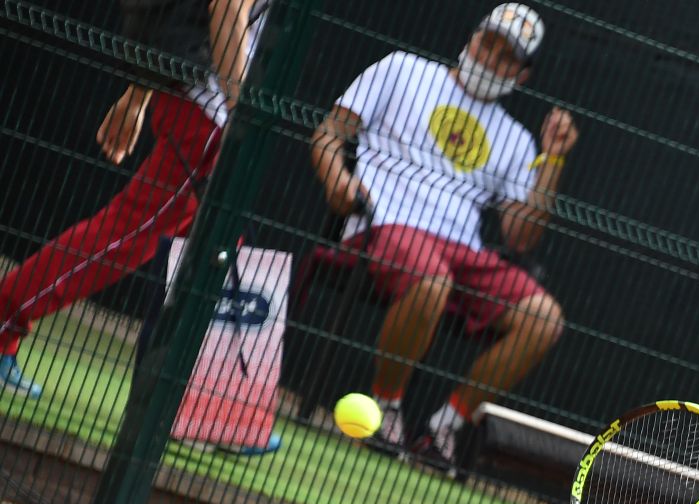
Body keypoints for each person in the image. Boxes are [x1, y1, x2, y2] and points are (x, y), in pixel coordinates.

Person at [308, 4, 577, 476]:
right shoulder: (402, 69)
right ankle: (386, 410)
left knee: (545, 319)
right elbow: (330, 133)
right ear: (471, 38)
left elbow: (522, 236)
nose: (491, 59)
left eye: (507, 57)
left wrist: (552, 161)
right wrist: (337, 181)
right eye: (487, 44)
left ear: (523, 75)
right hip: (383, 225)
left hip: (462, 253)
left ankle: (444, 429)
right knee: (431, 280)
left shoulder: (516, 139)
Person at [1, 0, 275, 452]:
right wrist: (239, 119)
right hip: (207, 119)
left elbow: (181, 21)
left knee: (215, 256)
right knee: (124, 238)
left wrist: (136, 96)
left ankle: (211, 412)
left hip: (197, 106)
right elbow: (227, 9)